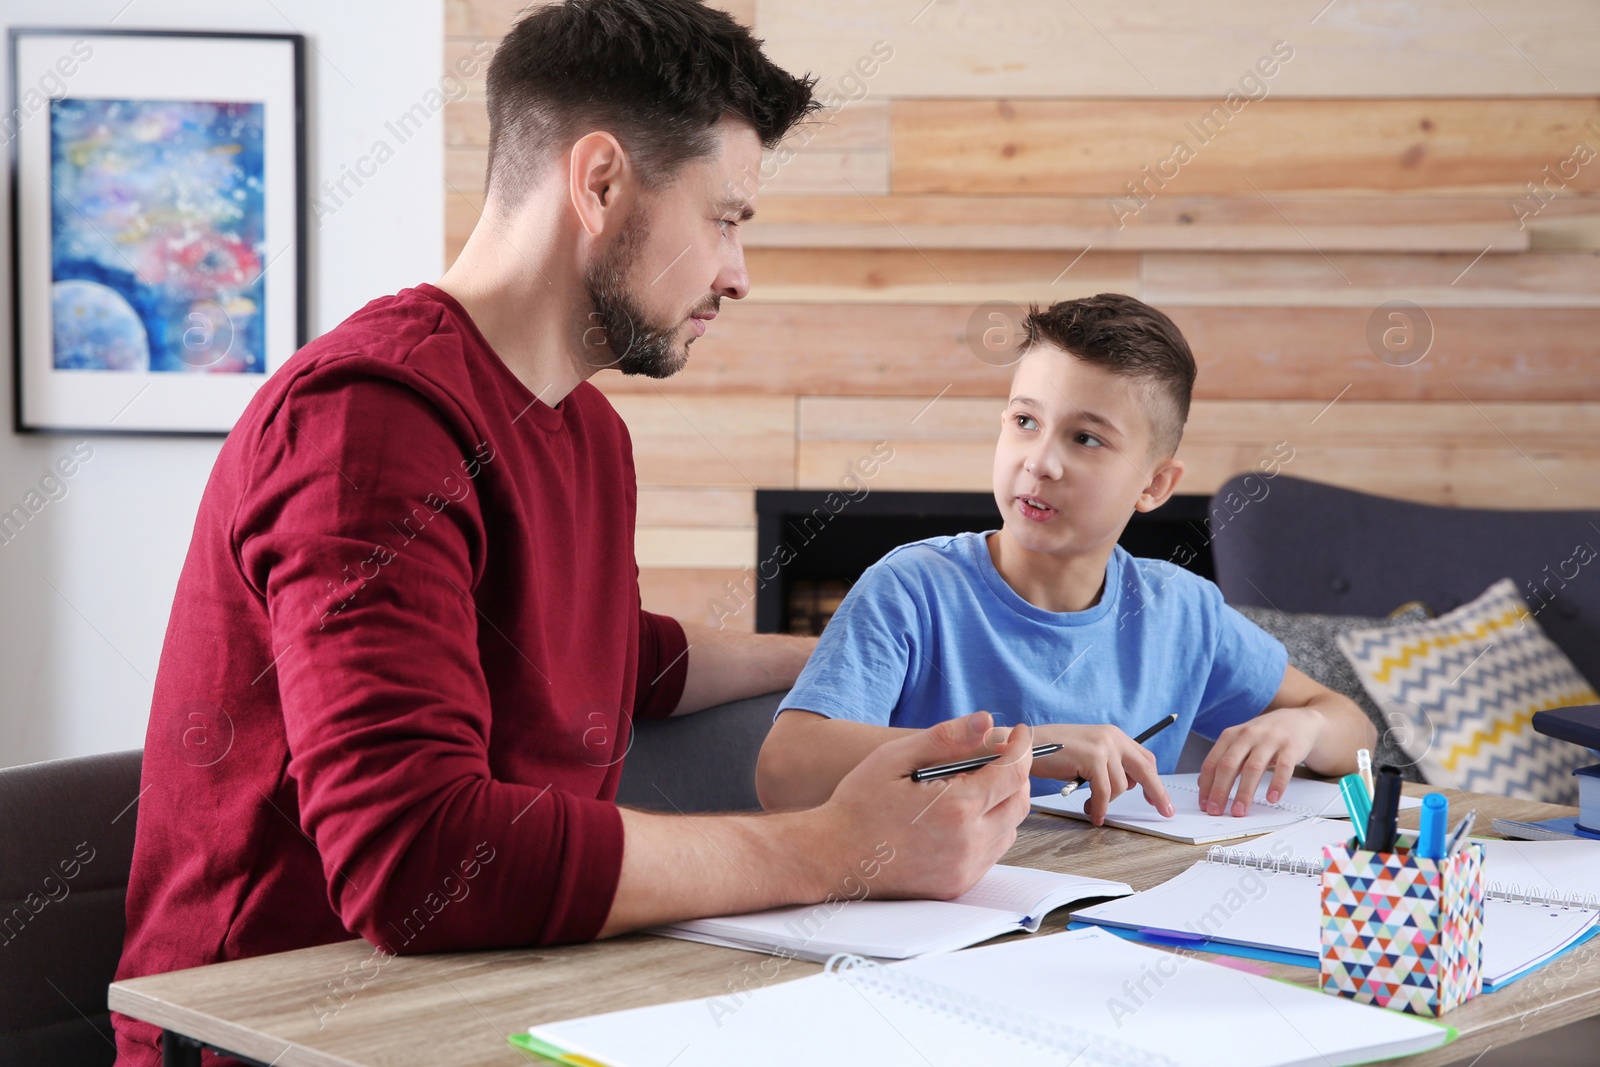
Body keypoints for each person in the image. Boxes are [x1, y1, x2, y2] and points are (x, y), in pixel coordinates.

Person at [110, 3, 1035, 1064]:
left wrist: (859, 658)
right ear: (598, 181)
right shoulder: (366, 423)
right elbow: (414, 858)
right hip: (285, 1034)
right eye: (726, 217)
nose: (738, 274)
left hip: (500, 997)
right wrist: (831, 850)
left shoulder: (586, 429)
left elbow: (589, 650)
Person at [756, 294, 1376, 823]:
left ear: (1154, 486)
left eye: (1085, 438)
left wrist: (1304, 729)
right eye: (1025, 420)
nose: (1040, 462)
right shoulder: (911, 589)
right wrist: (1026, 749)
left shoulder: (1179, 612)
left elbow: (1353, 730)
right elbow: (787, 770)